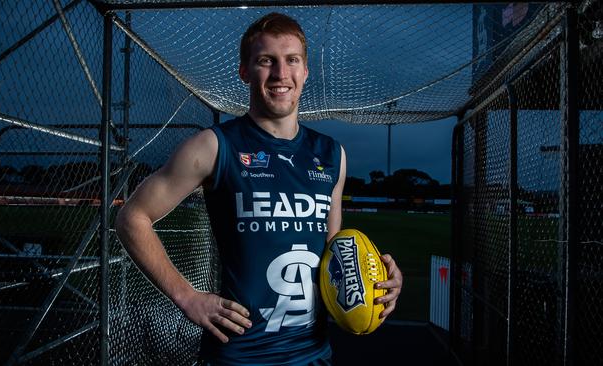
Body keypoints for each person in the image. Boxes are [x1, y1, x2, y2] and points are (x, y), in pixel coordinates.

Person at [115, 12, 403, 365]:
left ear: (305, 71)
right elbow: (132, 217)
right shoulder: (213, 147)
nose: (281, 74)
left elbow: (333, 250)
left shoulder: (332, 156)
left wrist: (377, 279)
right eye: (266, 61)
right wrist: (186, 296)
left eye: (292, 60)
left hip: (313, 354)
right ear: (245, 71)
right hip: (239, 356)